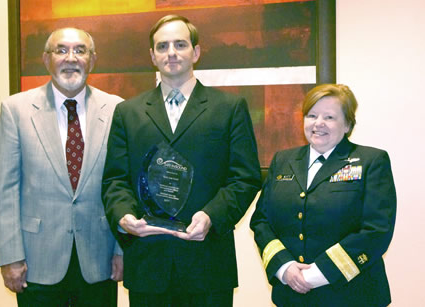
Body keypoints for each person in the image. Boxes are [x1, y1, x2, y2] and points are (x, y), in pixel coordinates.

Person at [102, 15, 261, 307]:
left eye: (180, 44)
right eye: (162, 46)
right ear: (152, 56)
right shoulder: (128, 112)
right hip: (148, 263)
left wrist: (212, 216)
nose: (171, 52)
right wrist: (124, 216)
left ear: (196, 52)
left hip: (208, 262)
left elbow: (246, 177)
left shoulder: (229, 108)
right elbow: (115, 180)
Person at [0, 27, 124, 306]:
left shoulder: (116, 110)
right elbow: (5, 191)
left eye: (80, 50)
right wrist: (10, 256)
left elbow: (123, 185)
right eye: (61, 50)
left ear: (93, 59)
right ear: (46, 59)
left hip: (98, 258)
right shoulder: (15, 110)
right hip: (36, 260)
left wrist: (122, 249)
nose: (71, 58)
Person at [250, 84, 396, 306]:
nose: (318, 123)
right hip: (291, 295)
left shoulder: (371, 161)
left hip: (353, 296)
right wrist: (284, 267)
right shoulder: (283, 161)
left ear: (347, 124)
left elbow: (377, 230)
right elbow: (261, 221)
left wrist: (317, 274)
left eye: (329, 117)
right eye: (312, 115)